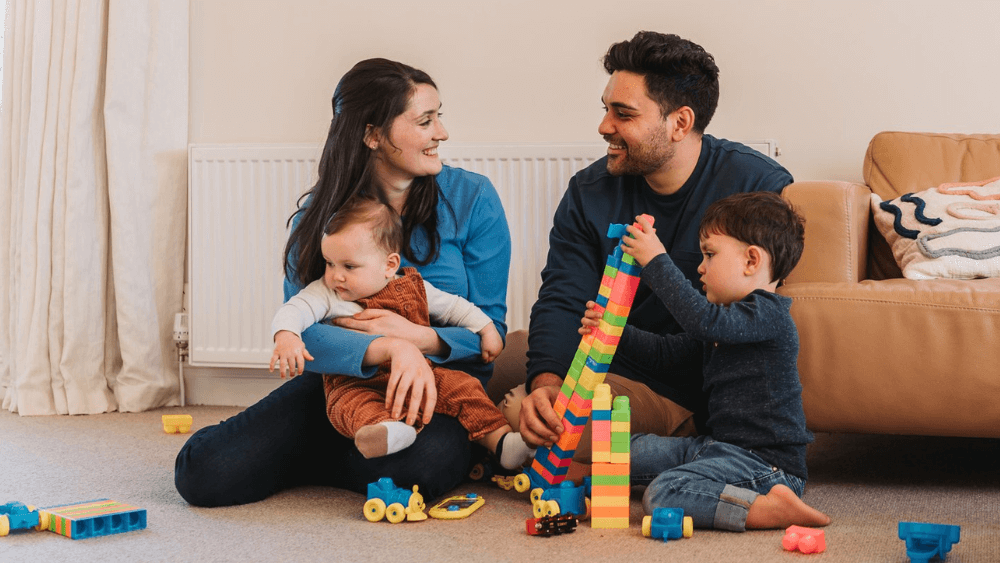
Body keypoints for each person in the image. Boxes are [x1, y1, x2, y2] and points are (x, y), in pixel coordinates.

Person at [175, 58, 512, 506]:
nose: (442, 133)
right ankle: (344, 443)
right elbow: (304, 324)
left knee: (420, 469)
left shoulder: (473, 198)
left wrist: (421, 339)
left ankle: (321, 453)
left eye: (439, 117)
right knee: (201, 474)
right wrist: (391, 348)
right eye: (425, 121)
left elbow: (492, 330)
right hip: (342, 385)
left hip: (440, 388)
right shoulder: (324, 214)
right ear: (373, 135)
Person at [514, 31, 795, 465]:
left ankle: (674, 444)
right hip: (597, 355)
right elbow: (562, 295)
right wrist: (545, 380)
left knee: (548, 425)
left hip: (677, 388)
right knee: (484, 370)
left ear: (680, 123)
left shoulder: (754, 189)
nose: (605, 126)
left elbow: (747, 324)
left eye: (623, 114)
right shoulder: (589, 190)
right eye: (606, 109)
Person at [584, 191, 830, 531]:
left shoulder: (768, 316)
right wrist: (612, 330)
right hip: (716, 448)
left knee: (662, 495)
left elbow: (703, 321)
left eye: (709, 254)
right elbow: (664, 355)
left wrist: (656, 260)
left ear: (751, 261)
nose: (700, 266)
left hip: (767, 466)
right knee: (624, 449)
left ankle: (769, 507)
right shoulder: (723, 325)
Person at [269, 197, 531, 469]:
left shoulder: (413, 285)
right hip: (357, 383)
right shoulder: (326, 293)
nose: (336, 276)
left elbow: (455, 308)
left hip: (419, 375)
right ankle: (390, 431)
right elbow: (295, 309)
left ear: (390, 265)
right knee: (352, 407)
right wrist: (287, 335)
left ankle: (501, 444)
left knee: (465, 389)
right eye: (329, 263)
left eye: (348, 266)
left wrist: (486, 328)